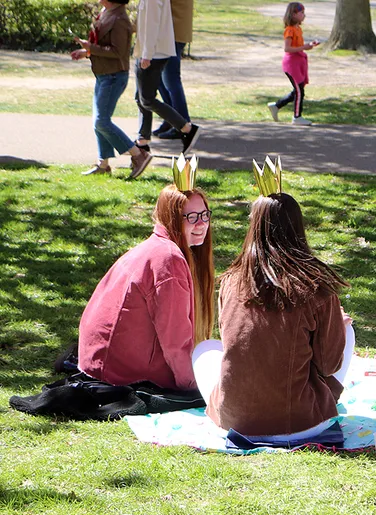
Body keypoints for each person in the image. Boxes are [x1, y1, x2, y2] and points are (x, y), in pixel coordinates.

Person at [195, 191, 354, 438]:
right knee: (348, 330)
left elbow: (234, 345)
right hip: (302, 424)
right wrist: (338, 328)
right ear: (298, 227)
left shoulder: (230, 282)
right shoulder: (316, 286)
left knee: (204, 351)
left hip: (234, 423)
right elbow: (329, 364)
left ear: (254, 226)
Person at [78, 179, 215, 390]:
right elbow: (175, 341)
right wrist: (195, 387)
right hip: (119, 374)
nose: (201, 224)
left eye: (205, 215)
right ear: (172, 218)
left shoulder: (157, 247)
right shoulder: (168, 259)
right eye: (192, 217)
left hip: (99, 364)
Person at [70, 0, 153, 179]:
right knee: (98, 121)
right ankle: (103, 164)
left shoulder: (119, 19)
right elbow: (104, 45)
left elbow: (118, 52)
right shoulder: (106, 12)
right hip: (104, 74)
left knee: (102, 121)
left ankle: (139, 155)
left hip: (114, 76)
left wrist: (90, 47)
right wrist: (87, 52)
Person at [134, 0, 201, 154]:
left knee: (163, 85)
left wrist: (147, 53)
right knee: (148, 92)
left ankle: (184, 126)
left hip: (163, 40)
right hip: (163, 38)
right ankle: (153, 133)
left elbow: (153, 19)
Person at [267, 2, 319, 126]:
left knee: (298, 90)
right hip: (291, 64)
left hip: (298, 62)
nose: (304, 15)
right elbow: (287, 49)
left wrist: (308, 46)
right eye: (301, 13)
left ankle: (277, 105)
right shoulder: (289, 30)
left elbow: (298, 46)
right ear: (294, 14)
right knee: (299, 91)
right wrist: (303, 47)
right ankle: (297, 117)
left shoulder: (298, 29)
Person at [153, 0, 193, 140]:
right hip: (171, 30)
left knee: (170, 78)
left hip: (172, 31)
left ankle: (182, 123)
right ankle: (172, 119)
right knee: (159, 78)